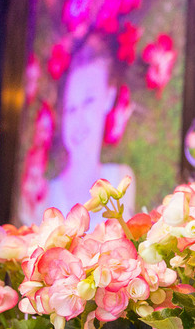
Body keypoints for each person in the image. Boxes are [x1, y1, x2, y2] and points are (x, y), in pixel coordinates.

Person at [43, 43, 135, 217]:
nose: (78, 119)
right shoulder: (48, 196)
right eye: (71, 109)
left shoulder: (120, 178)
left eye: (88, 102)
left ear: (108, 97)